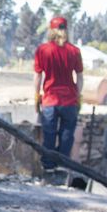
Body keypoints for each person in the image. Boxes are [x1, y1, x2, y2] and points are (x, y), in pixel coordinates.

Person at [33, 16, 83, 173]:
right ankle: (62, 165)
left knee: (49, 135)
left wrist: (36, 94)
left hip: (50, 100)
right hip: (69, 101)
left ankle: (48, 167)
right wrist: (78, 95)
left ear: (51, 30)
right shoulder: (74, 51)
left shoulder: (43, 50)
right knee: (67, 136)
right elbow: (80, 77)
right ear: (66, 30)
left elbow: (38, 76)